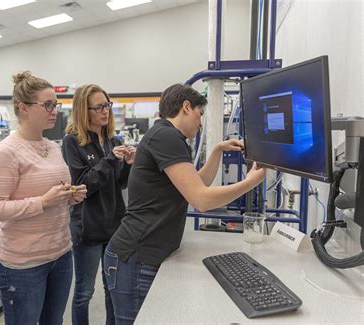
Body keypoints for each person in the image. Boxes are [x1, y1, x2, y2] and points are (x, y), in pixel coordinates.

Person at [104, 83, 266, 323]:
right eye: (200, 115)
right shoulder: (166, 136)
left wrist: (217, 151)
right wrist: (250, 182)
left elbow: (196, 184)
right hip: (135, 256)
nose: (200, 123)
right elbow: (200, 200)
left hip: (139, 255)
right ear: (186, 107)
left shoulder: (166, 135)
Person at [0, 71, 87, 325]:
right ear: (23, 108)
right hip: (23, 263)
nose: (55, 110)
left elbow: (54, 190)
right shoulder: (6, 152)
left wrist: (69, 196)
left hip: (60, 253)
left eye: (56, 104)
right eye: (48, 105)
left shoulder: (53, 146)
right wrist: (43, 202)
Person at [62, 84, 135, 325]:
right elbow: (83, 184)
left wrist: (128, 164)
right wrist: (109, 160)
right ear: (84, 110)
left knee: (112, 289)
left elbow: (119, 184)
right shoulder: (73, 142)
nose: (106, 111)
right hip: (89, 228)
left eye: (107, 105)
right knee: (84, 293)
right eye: (99, 107)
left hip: (114, 226)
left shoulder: (112, 139)